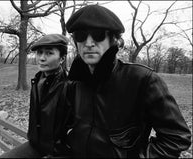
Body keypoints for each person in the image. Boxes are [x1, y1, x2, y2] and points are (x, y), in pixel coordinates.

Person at [64, 4, 191, 158]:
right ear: (75, 41)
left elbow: (176, 137)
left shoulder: (142, 79)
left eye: (98, 35)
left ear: (114, 40)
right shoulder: (76, 81)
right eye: (81, 35)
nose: (89, 43)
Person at [0, 34, 72, 158]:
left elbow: (75, 130)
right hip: (36, 145)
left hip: (57, 152)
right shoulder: (37, 80)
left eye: (49, 53)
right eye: (39, 53)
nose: (42, 58)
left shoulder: (70, 86)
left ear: (62, 58)